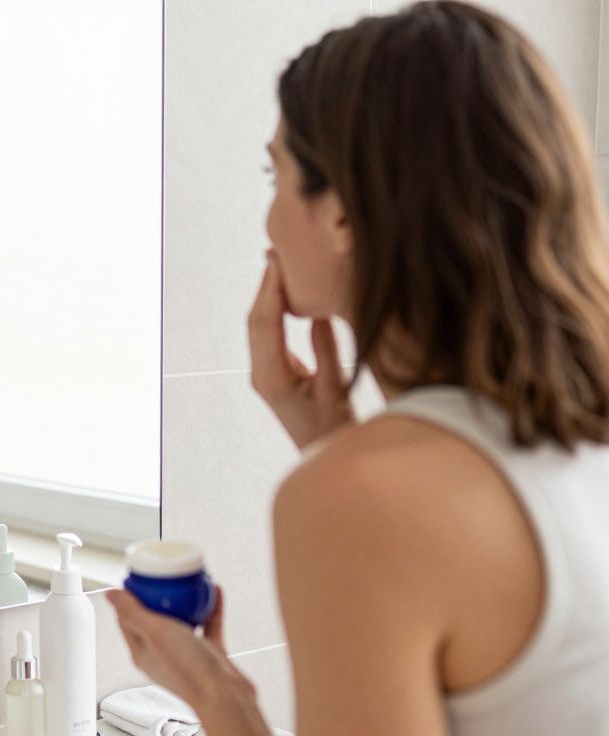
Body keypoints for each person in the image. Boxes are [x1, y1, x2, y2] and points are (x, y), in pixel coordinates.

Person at [108, 2, 609, 733]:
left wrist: (220, 701)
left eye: (273, 175)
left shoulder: (359, 498)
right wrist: (333, 443)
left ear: (340, 212)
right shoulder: (576, 438)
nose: (269, 219)